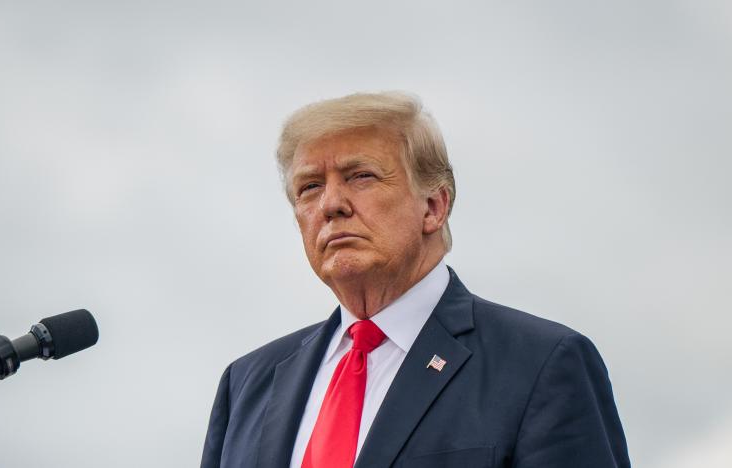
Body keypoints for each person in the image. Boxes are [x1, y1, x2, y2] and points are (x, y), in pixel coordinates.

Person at [200, 92, 630, 468]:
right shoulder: (247, 383)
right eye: (309, 187)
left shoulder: (542, 364)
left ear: (434, 207)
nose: (331, 204)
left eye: (360, 176)